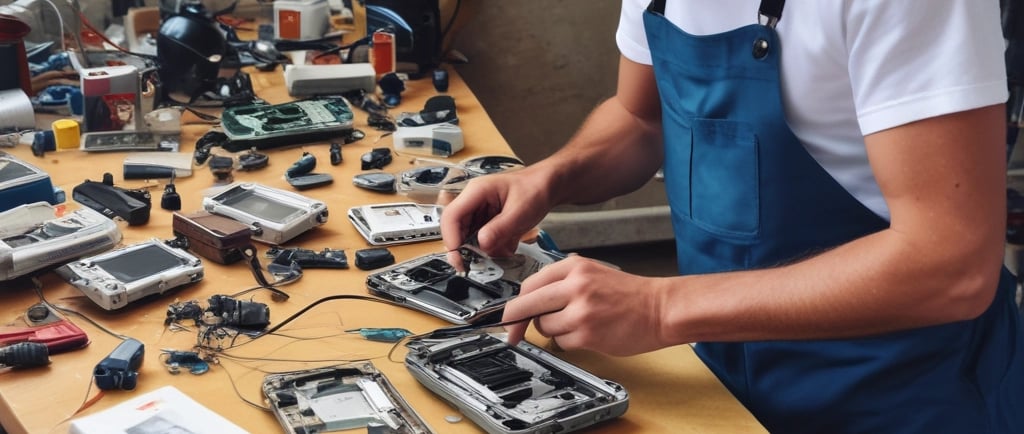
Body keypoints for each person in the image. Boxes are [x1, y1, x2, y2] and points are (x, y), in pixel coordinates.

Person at [440, 0, 1024, 432]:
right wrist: (545, 178)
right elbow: (641, 118)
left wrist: (660, 307)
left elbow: (951, 264)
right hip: (723, 379)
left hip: (901, 399)